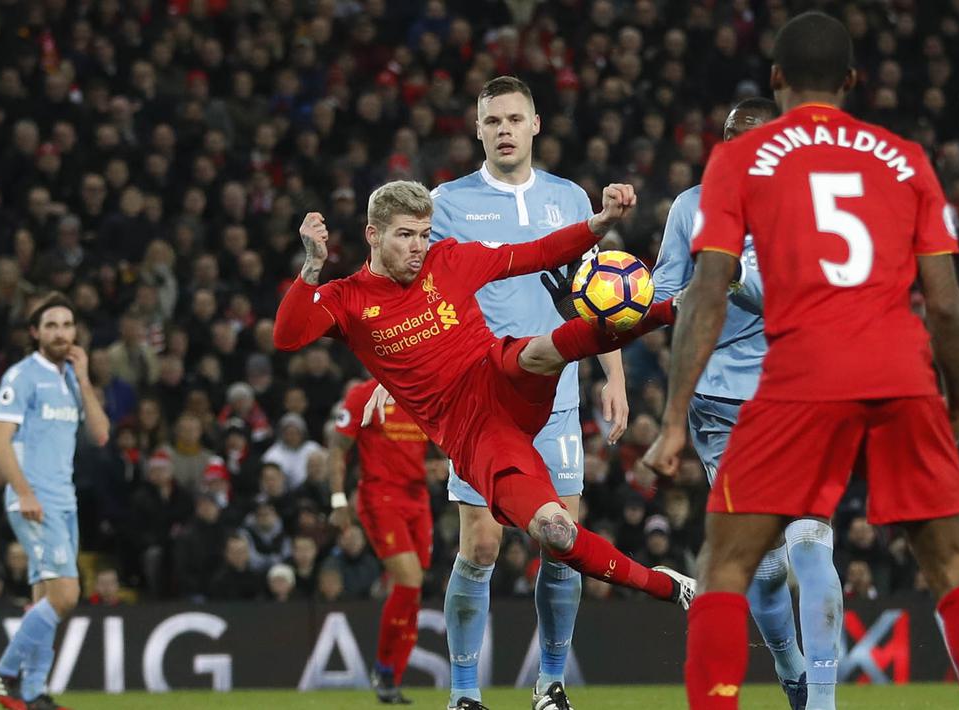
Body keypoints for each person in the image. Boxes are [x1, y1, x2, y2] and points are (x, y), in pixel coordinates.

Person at [643, 12, 959, 710]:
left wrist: (668, 422)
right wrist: (954, 402)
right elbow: (946, 306)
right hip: (898, 374)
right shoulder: (904, 158)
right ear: (849, 81)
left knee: (724, 565)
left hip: (801, 378)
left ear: (776, 79)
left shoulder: (740, 159)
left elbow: (704, 296)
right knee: (954, 565)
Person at [274, 180, 694, 710]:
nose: (418, 247)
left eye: (424, 234)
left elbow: (538, 253)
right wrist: (311, 267)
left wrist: (600, 222)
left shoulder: (450, 260)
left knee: (539, 352)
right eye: (405, 236)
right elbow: (288, 335)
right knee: (556, 532)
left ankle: (669, 309)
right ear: (372, 236)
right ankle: (672, 587)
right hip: (476, 436)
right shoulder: (347, 300)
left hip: (499, 374)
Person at [426, 75, 628, 710]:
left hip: (557, 391)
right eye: (493, 121)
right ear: (478, 129)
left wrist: (615, 377)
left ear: (536, 124)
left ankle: (551, 685)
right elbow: (414, 291)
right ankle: (463, 693)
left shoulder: (570, 199)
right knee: (481, 544)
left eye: (515, 118)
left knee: (561, 539)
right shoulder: (448, 202)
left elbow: (602, 293)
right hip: (480, 396)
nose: (505, 130)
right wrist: (389, 373)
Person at [652, 96, 842, 709]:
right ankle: (790, 667)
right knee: (760, 566)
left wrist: (727, 271)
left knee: (812, 539)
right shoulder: (690, 207)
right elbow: (662, 293)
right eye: (730, 137)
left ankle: (824, 702)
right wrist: (614, 293)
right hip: (720, 404)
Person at [0, 292, 111, 710]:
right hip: (35, 499)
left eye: (67, 325)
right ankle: (3, 672)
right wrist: (25, 492)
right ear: (35, 333)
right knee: (66, 596)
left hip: (64, 500)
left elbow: (102, 434)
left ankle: (34, 694)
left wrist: (85, 379)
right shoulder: (21, 376)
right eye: (51, 325)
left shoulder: (70, 378)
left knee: (44, 599)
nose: (60, 333)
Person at [329, 377, 430, 704]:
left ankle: (391, 677)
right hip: (380, 496)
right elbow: (337, 447)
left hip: (419, 498)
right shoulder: (362, 394)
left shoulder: (421, 391)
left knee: (413, 588)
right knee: (409, 580)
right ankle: (384, 669)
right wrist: (338, 500)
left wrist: (442, 466)